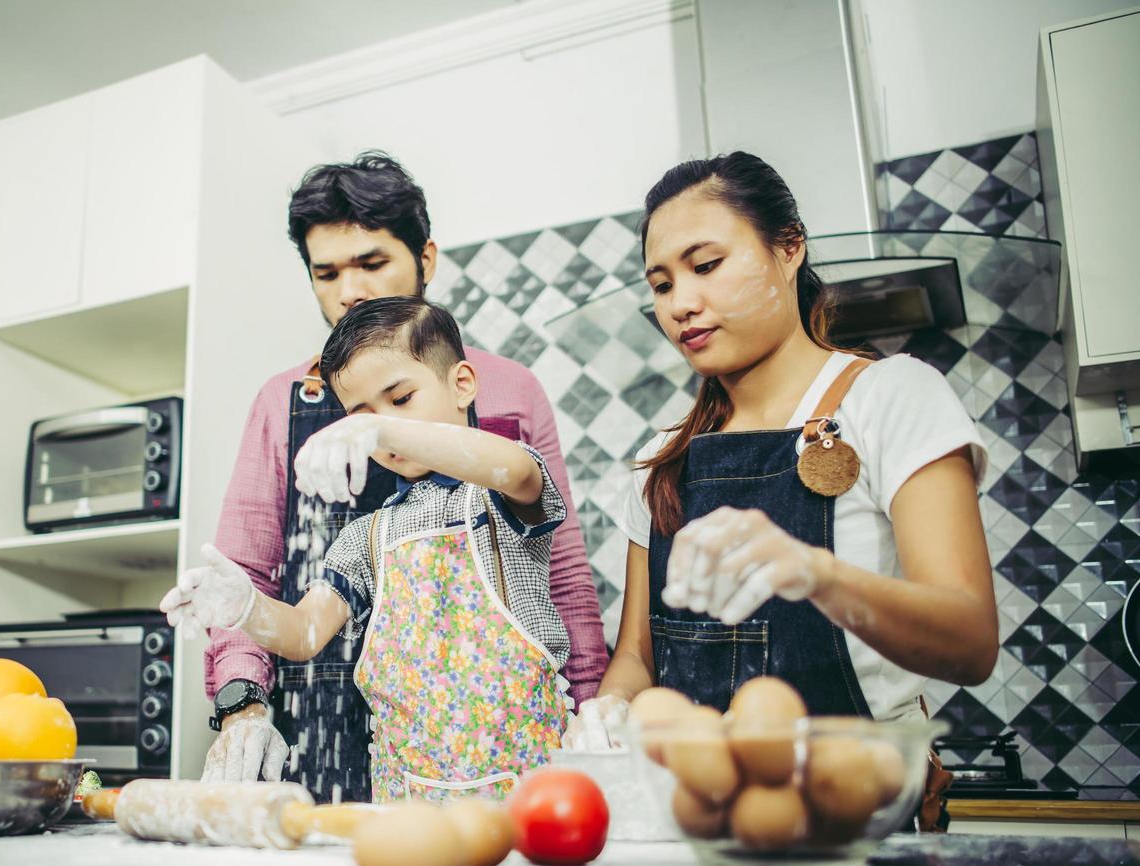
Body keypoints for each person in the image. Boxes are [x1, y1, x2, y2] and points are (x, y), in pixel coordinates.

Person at [202, 153, 605, 802]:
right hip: (329, 725)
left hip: (505, 730)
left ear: (426, 258)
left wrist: (591, 706)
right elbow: (248, 573)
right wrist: (241, 702)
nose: (349, 291)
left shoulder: (511, 391)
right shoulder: (282, 401)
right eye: (326, 273)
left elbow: (557, 568)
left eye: (371, 262)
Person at [567, 151, 997, 748]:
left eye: (707, 265)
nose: (679, 303)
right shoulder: (664, 459)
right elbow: (640, 656)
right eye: (661, 284)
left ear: (789, 247)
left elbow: (969, 642)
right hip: (698, 810)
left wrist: (815, 575)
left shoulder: (890, 397)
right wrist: (610, 707)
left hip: (857, 807)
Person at [167, 296, 571, 801]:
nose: (381, 427)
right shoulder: (367, 536)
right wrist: (243, 606)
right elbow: (304, 633)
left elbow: (513, 468)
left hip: (528, 795)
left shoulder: (502, 490)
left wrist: (378, 426)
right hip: (407, 802)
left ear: (462, 384)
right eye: (361, 414)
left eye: (400, 399)